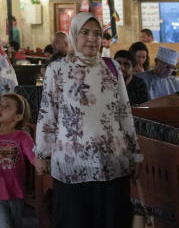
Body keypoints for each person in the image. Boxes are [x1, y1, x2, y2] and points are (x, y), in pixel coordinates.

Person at [34, 12, 142, 226]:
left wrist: (135, 153)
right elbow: (48, 112)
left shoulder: (112, 68)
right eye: (85, 32)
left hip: (113, 162)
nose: (92, 38)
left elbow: (124, 112)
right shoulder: (57, 69)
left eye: (97, 33)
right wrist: (42, 153)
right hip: (72, 164)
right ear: (74, 35)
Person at [0, 93, 36, 228]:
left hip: (16, 191)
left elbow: (33, 157)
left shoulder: (23, 136)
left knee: (15, 224)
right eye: (0, 104)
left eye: (7, 106)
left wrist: (41, 164)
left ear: (18, 117)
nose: (1, 108)